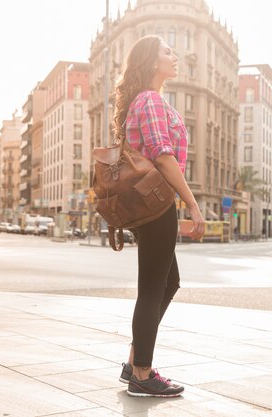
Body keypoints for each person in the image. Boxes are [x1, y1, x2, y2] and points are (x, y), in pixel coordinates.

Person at [112, 35, 205, 398]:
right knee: (152, 289)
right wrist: (192, 204)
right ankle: (141, 373)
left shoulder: (149, 99)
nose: (175, 55)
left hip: (154, 204)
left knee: (167, 283)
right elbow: (163, 156)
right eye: (167, 51)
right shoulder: (149, 100)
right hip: (155, 205)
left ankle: (135, 361)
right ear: (152, 62)